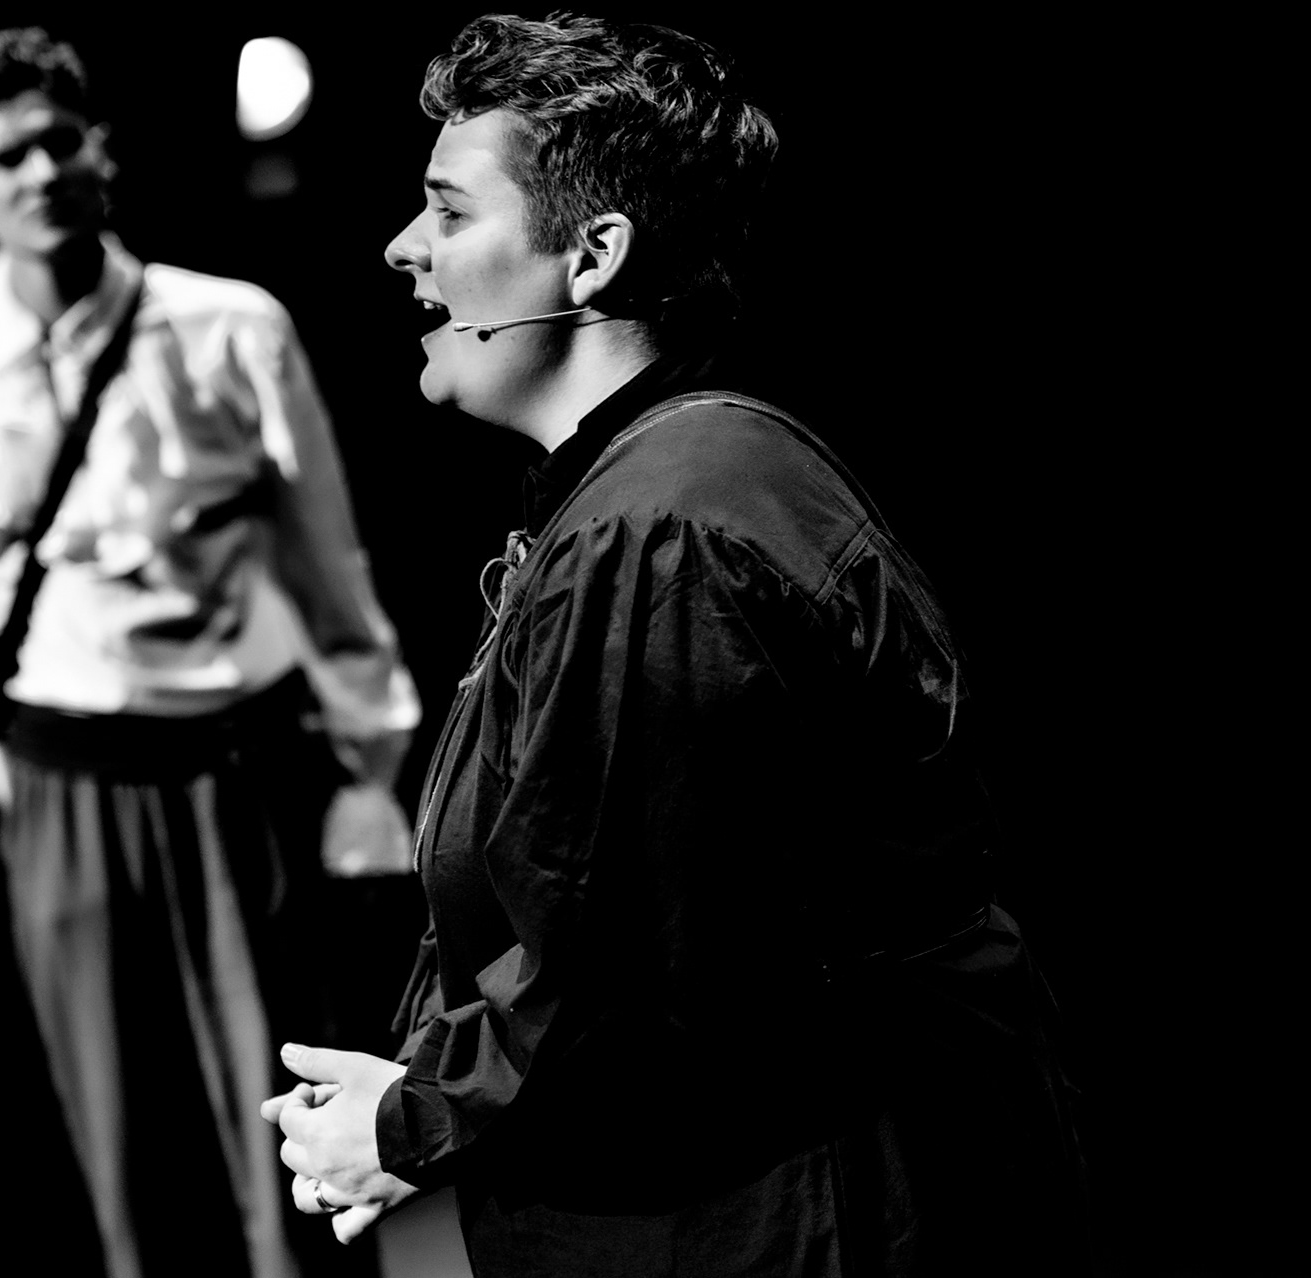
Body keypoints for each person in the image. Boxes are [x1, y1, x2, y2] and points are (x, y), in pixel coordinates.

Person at [263, 14, 1092, 1277]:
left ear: (592, 255)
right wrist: (419, 1090)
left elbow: (636, 981)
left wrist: (412, 1119)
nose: (403, 246)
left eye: (449, 210)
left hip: (799, 1216)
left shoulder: (664, 531)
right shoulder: (665, 485)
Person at [0, 27, 419, 1278]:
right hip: (59, 782)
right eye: (7, 156)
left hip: (238, 773)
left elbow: (328, 564)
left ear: (101, 150)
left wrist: (370, 773)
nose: (41, 172)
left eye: (60, 141)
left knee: (288, 1147)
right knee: (124, 1152)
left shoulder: (231, 325)